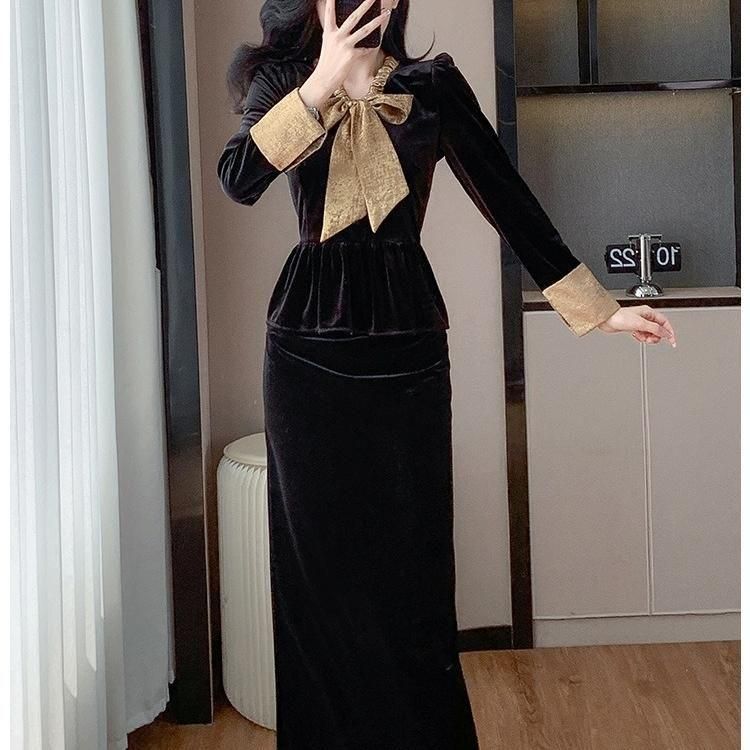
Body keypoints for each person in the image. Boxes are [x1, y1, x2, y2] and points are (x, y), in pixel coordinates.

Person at [217, 1, 677, 746]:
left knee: (415, 574)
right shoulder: (282, 80)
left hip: (408, 348)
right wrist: (322, 83)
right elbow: (237, 179)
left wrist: (599, 310)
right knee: (315, 580)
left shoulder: (431, 86)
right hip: (306, 351)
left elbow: (509, 199)